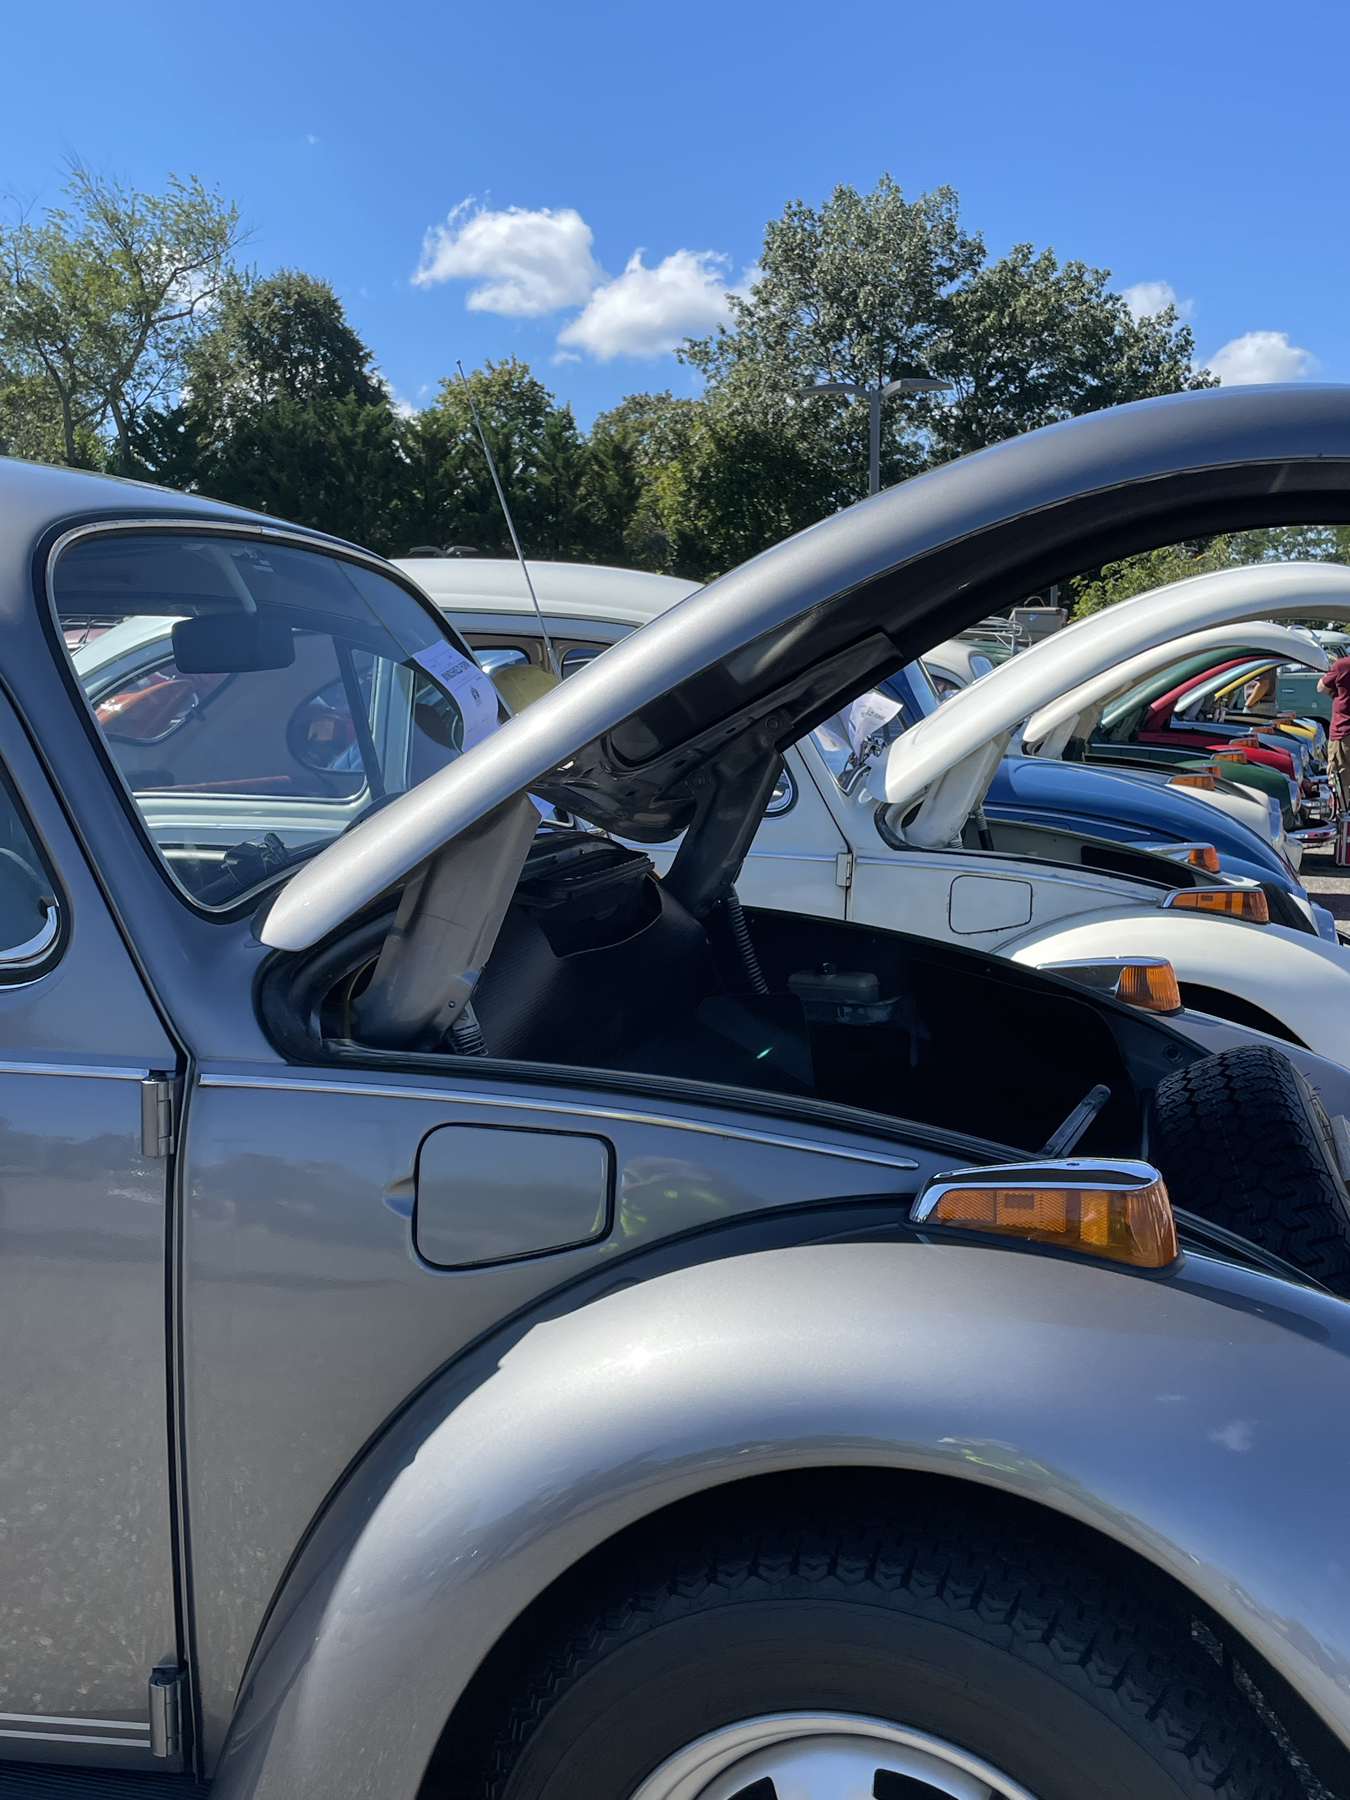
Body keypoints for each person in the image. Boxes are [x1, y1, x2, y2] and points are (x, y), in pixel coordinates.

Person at [1317, 650, 1350, 808]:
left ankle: (1343, 814)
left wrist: (1337, 693)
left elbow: (1321, 687)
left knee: (1340, 777)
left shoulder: (1342, 665)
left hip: (1344, 729)